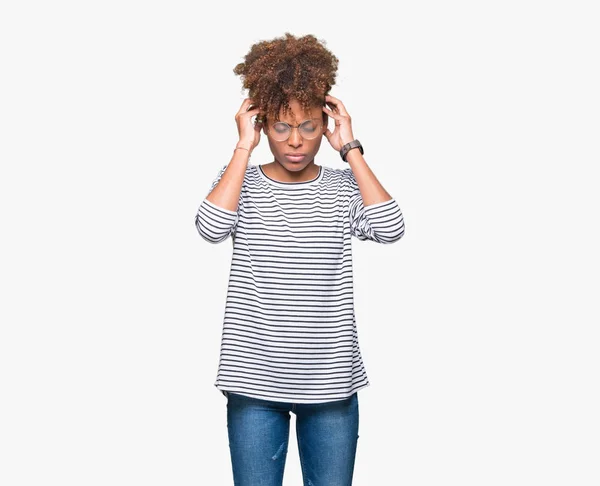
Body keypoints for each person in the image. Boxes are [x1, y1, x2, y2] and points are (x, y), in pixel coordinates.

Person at [195, 32, 405, 486]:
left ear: (324, 126)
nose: (295, 141)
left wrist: (351, 149)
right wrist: (242, 148)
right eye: (281, 126)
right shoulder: (241, 182)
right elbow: (210, 227)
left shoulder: (341, 186)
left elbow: (390, 227)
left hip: (330, 381)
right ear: (263, 124)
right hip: (254, 380)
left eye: (309, 127)